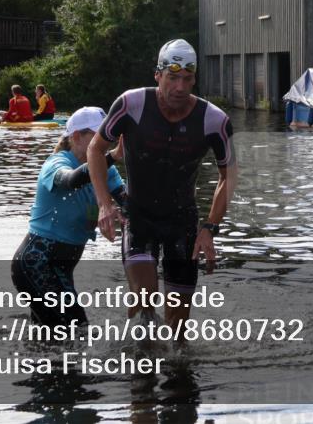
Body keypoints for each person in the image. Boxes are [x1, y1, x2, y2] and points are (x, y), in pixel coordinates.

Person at [87, 39, 237, 327]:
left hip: (181, 222)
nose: (180, 87)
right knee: (144, 299)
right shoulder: (131, 104)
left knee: (177, 329)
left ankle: (176, 366)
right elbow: (95, 149)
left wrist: (210, 227)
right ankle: (139, 361)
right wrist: (104, 204)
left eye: (187, 78)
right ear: (157, 75)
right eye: (172, 77)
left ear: (194, 79)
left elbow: (228, 175)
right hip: (139, 217)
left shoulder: (214, 120)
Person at [11, 106, 125, 325]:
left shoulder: (108, 171)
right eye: (97, 136)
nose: (105, 141)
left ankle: (29, 357)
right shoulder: (55, 164)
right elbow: (71, 180)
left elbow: (127, 200)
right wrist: (112, 156)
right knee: (76, 330)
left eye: (107, 135)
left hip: (62, 268)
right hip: (36, 263)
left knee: (51, 337)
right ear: (76, 136)